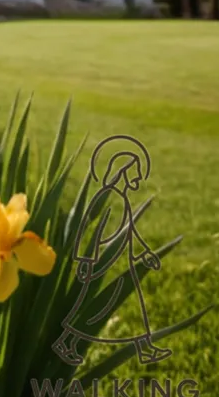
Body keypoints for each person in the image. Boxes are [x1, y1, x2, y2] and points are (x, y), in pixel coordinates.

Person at [52, 140, 171, 366]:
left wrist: (146, 254)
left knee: (125, 303)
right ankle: (64, 342)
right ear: (122, 172)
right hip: (97, 263)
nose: (136, 177)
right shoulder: (107, 196)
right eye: (133, 172)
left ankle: (145, 349)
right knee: (89, 308)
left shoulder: (121, 198)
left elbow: (130, 233)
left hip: (113, 260)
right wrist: (86, 261)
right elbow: (92, 231)